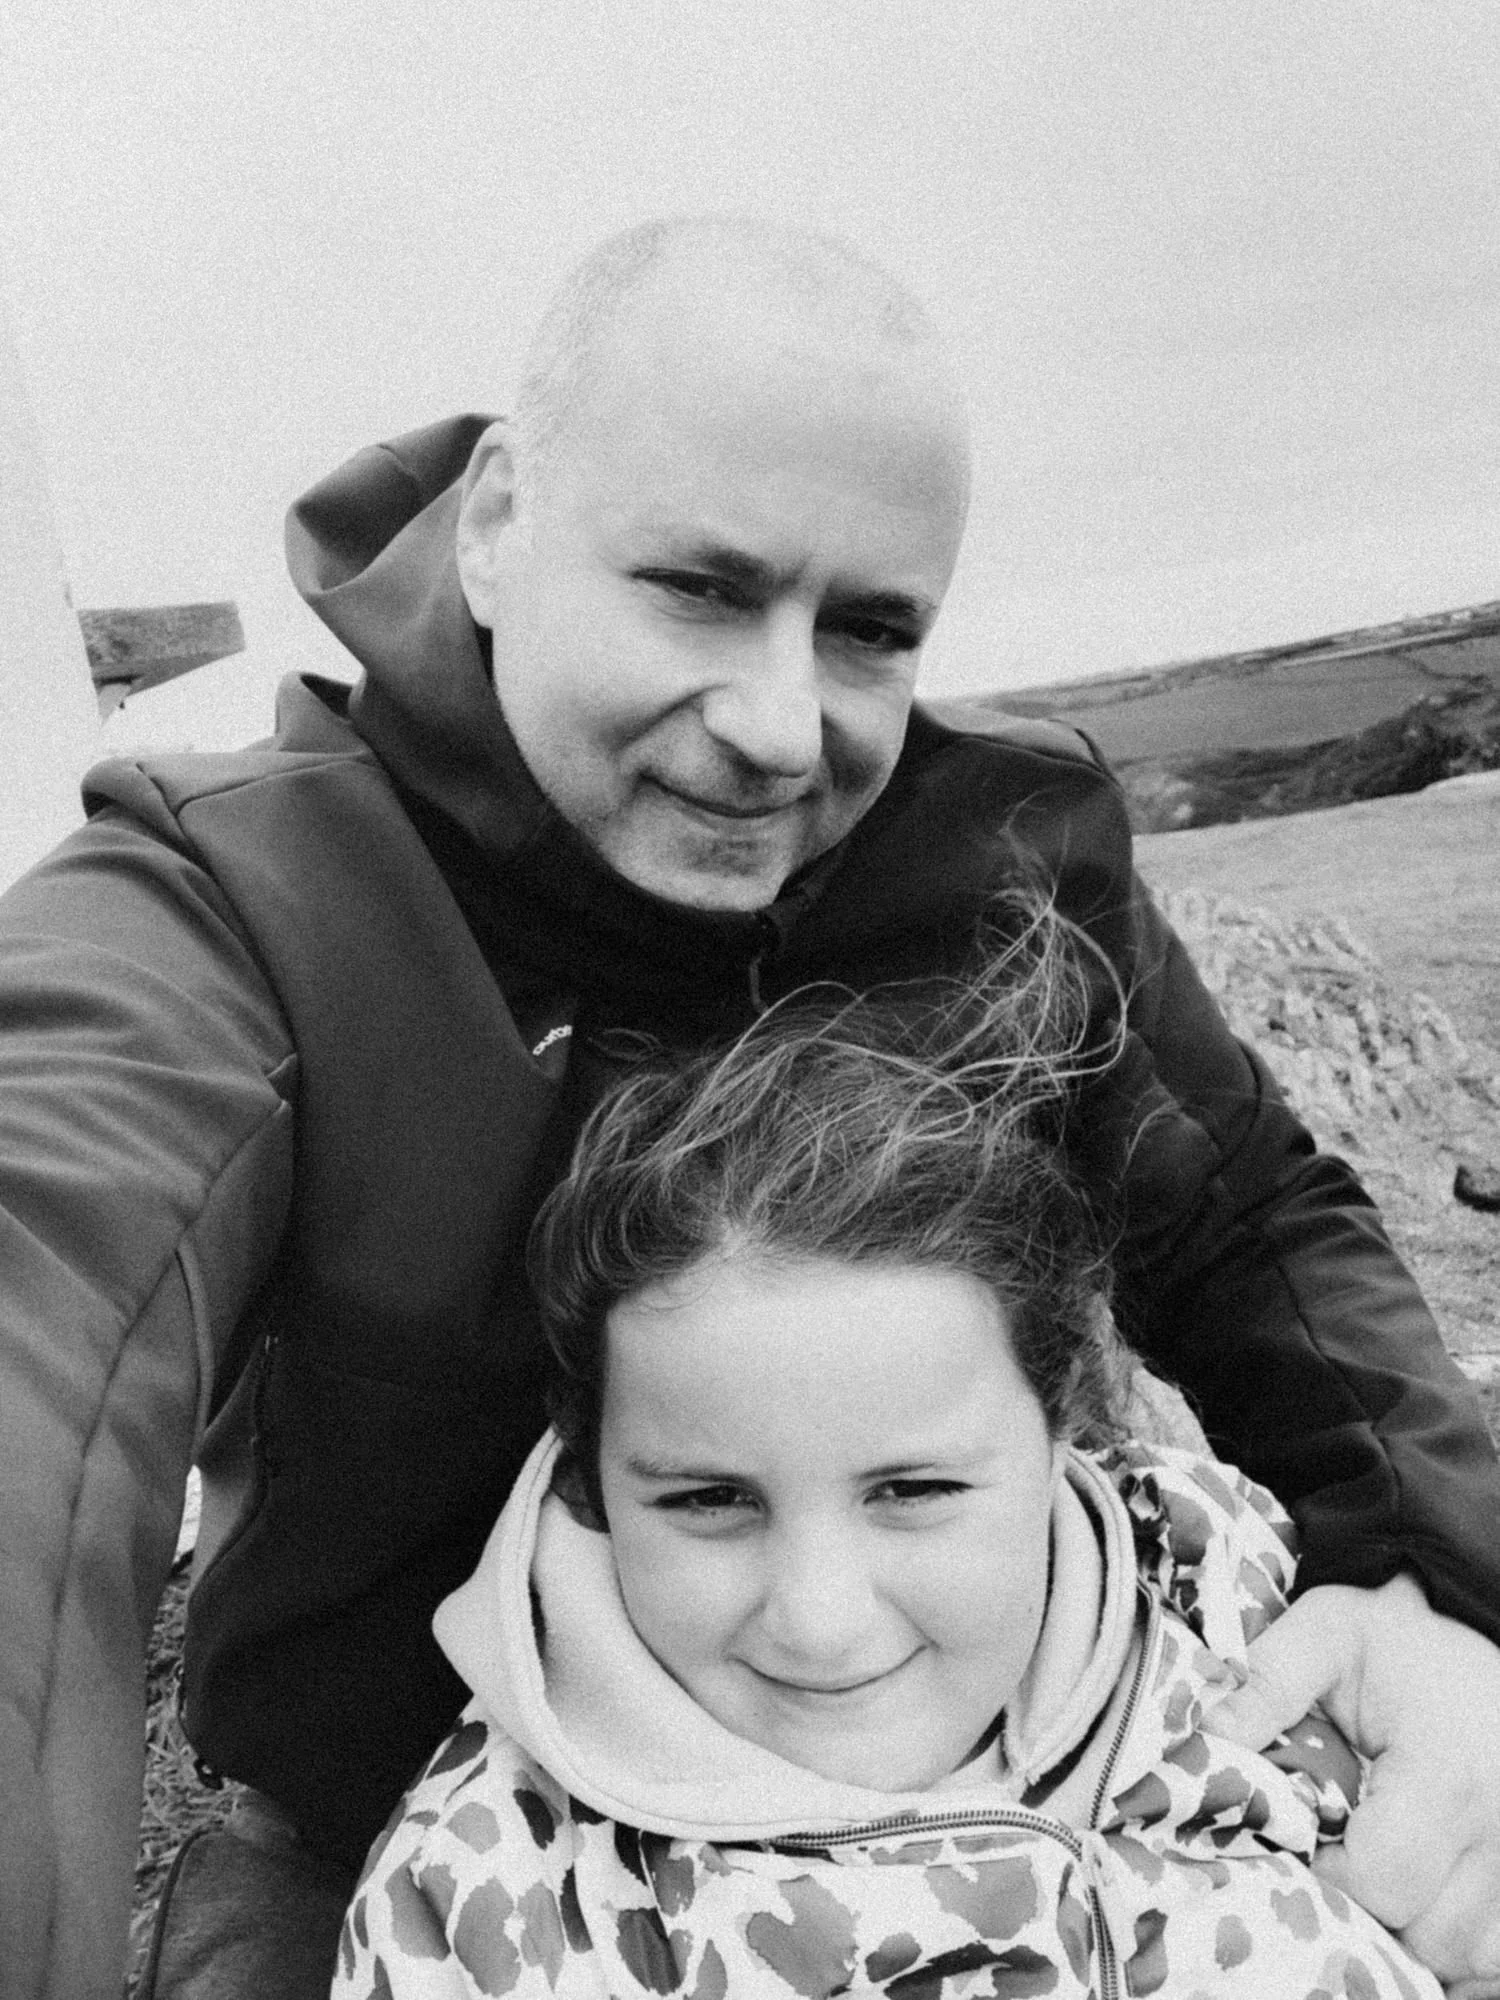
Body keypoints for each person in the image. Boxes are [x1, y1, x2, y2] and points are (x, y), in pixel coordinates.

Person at [1, 214, 1497, 2000]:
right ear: (496, 525)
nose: (782, 726)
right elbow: (43, 1321)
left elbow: (1248, 1222)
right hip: (404, 1865)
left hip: (1007, 1775)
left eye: (869, 631)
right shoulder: (237, 908)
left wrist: (1433, 1594)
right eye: (700, 589)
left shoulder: (1007, 860)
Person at [334, 899, 1444, 1999]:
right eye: (711, 1500)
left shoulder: (1249, 1596)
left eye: (913, 1489)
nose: (820, 1620)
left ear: (1062, 1423)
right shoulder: (478, 1909)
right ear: (589, 1478)